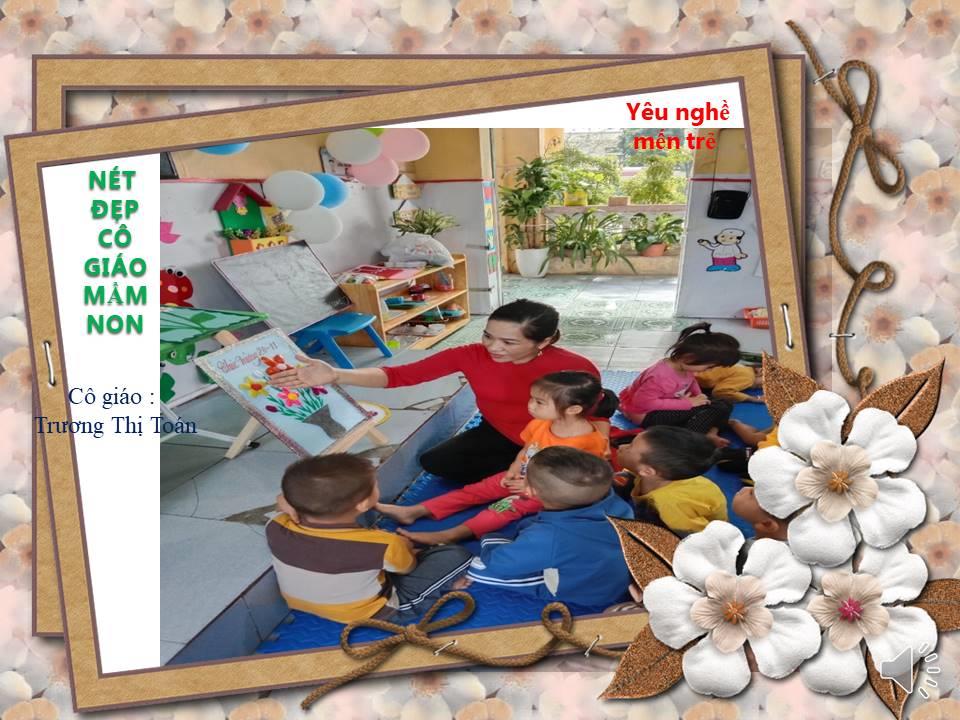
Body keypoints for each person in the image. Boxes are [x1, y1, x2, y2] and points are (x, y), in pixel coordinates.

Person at [269, 299, 600, 484]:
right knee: (436, 463)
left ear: (544, 341)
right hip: (499, 432)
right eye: (488, 336)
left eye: (508, 342)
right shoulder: (470, 355)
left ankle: (530, 475)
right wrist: (336, 374)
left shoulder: (574, 368)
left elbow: (595, 417)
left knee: (562, 484)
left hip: (553, 441)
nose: (493, 347)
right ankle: (521, 474)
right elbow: (398, 376)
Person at [377, 371, 617, 545]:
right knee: (475, 490)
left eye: (539, 402)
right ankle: (416, 510)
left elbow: (576, 482)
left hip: (547, 491)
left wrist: (530, 487)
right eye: (532, 398)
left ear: (573, 409)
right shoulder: (542, 423)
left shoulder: (589, 443)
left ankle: (450, 535)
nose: (530, 405)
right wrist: (514, 467)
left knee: (502, 508)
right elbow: (527, 448)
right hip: (522, 475)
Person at [267, 453, 471, 623]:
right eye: (375, 485)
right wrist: (406, 547)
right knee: (455, 555)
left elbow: (282, 506)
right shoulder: (384, 544)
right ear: (364, 504)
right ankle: (441, 587)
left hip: (299, 603)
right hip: (373, 613)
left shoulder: (276, 524)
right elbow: (408, 568)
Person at [455, 446, 634, 608]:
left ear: (530, 492)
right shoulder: (618, 503)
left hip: (585, 592)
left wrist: (489, 543)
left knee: (480, 566)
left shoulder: (549, 537)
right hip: (614, 577)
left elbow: (500, 565)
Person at [618, 322, 740, 448]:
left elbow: (691, 381)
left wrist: (699, 395)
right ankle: (686, 440)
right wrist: (688, 403)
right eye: (709, 367)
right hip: (647, 415)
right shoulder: (661, 377)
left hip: (668, 403)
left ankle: (710, 432)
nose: (709, 370)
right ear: (689, 357)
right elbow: (643, 403)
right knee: (711, 409)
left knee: (725, 403)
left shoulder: (683, 366)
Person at [615, 426, 728, 534]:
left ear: (647, 471)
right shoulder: (664, 472)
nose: (621, 446)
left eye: (629, 447)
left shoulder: (669, 506)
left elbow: (695, 537)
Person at [695, 364, 764, 403]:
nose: (763, 387)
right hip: (697, 382)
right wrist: (752, 398)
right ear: (760, 371)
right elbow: (719, 392)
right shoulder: (749, 378)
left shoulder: (744, 368)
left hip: (697, 376)